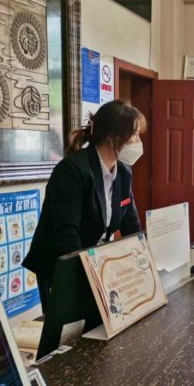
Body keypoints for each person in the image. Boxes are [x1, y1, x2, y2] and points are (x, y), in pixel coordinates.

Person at [24, 100, 145, 312]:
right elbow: (67, 236)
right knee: (68, 329)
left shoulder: (123, 172)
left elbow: (131, 226)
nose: (138, 141)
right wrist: (87, 281)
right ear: (112, 136)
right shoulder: (72, 170)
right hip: (60, 266)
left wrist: (142, 264)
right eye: (134, 134)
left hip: (94, 263)